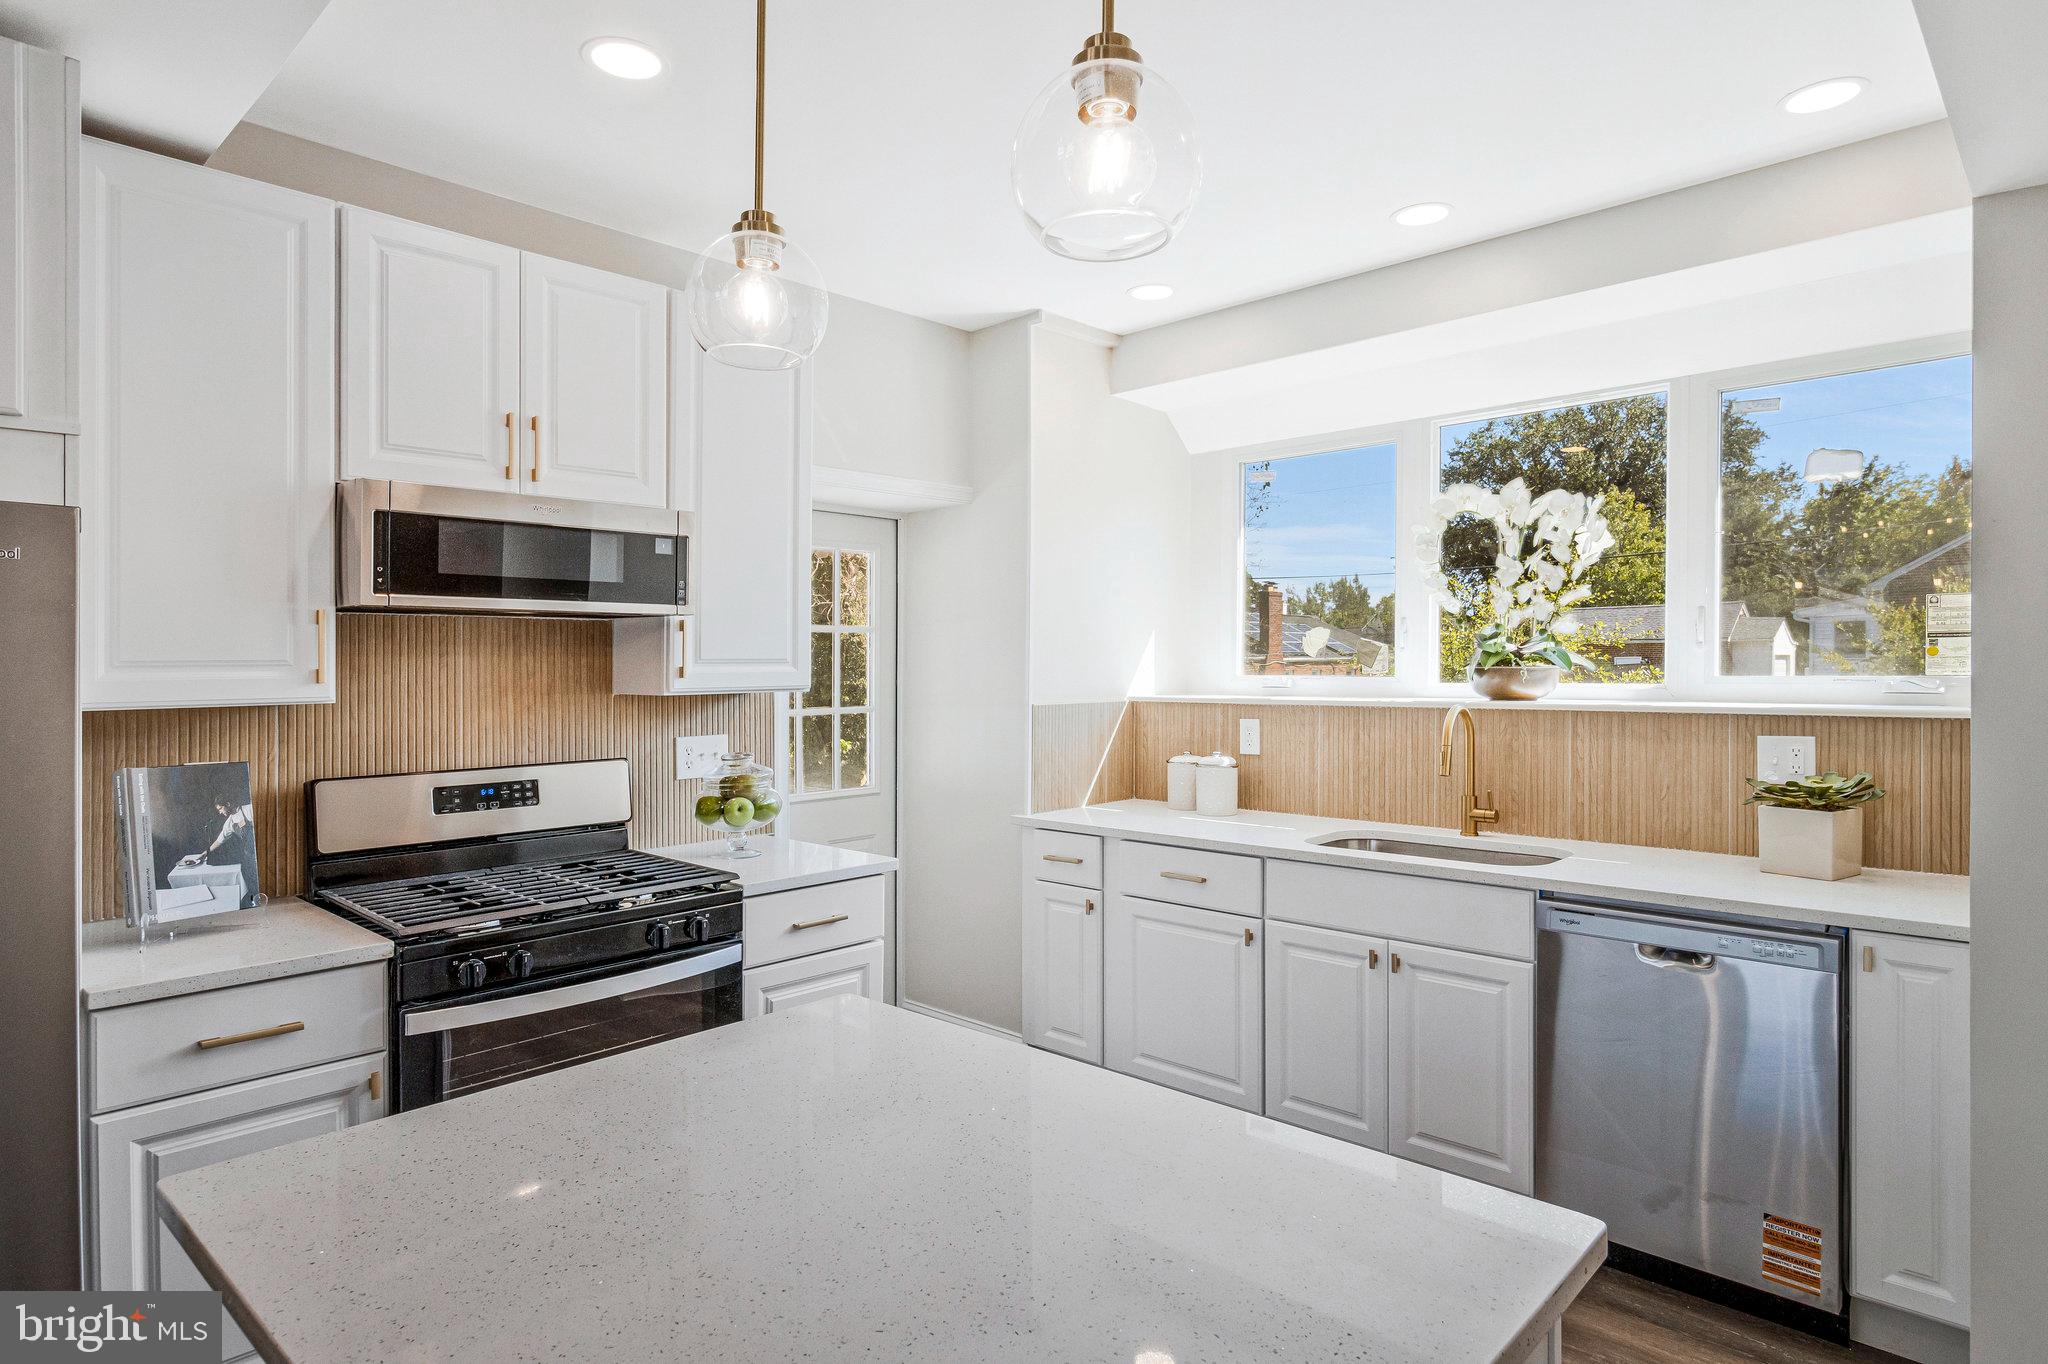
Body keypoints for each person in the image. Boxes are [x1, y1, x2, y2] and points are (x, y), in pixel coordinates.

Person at [175, 798, 260, 908]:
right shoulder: (229, 822)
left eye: (220, 808)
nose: (220, 812)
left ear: (228, 803)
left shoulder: (249, 809)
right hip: (249, 854)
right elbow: (220, 840)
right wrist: (206, 853)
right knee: (250, 878)